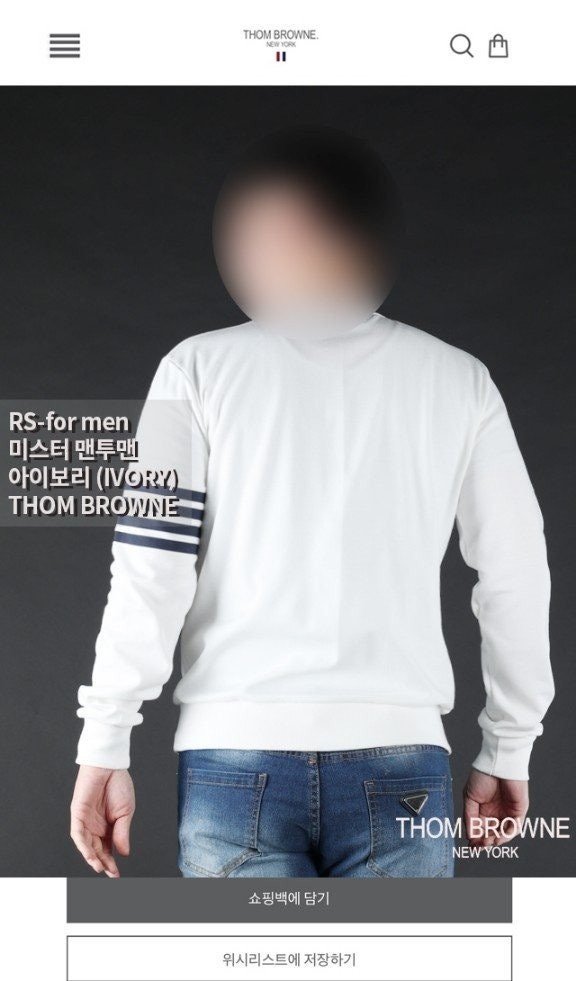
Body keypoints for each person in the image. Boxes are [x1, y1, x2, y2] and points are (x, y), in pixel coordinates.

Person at [70, 124, 554, 878]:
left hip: (234, 756)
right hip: (401, 755)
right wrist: (508, 745)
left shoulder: (194, 370)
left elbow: (150, 565)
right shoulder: (459, 380)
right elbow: (516, 571)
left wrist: (106, 739)